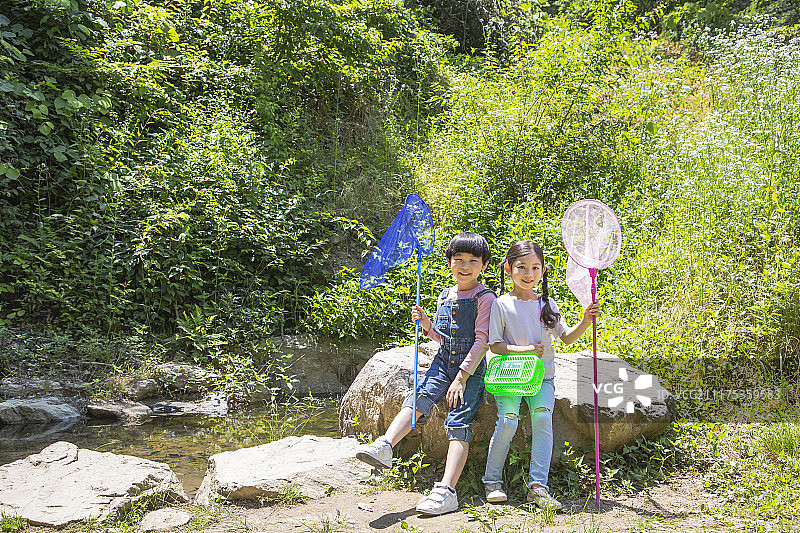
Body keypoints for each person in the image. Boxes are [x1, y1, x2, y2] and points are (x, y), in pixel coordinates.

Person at [356, 232, 496, 516]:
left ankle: (447, 491)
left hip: (470, 370)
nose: (465, 266)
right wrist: (427, 326)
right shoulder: (445, 295)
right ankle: (385, 445)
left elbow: (482, 342)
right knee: (419, 396)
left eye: (473, 261)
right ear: (449, 262)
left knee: (458, 421)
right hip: (443, 361)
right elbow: (443, 338)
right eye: (459, 259)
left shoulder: (485, 297)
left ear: (483, 265)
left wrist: (461, 378)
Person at [482, 240, 599, 510]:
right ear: (508, 268)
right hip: (509, 377)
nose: (528, 273)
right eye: (521, 267)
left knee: (543, 419)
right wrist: (524, 349)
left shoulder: (547, 304)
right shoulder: (501, 304)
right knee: (508, 421)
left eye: (535, 268)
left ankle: (537, 487)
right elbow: (495, 345)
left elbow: (566, 337)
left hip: (542, 377)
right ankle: (492, 481)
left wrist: (585, 321)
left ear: (543, 271)